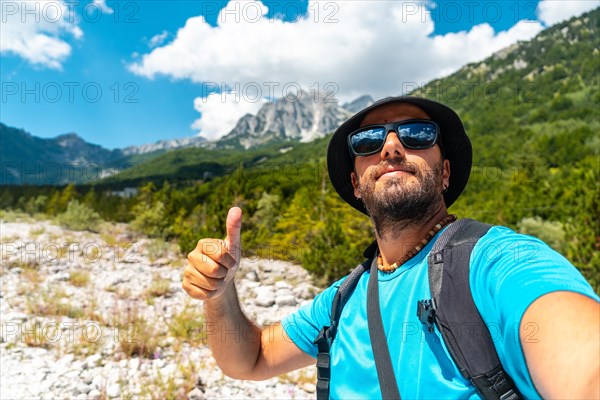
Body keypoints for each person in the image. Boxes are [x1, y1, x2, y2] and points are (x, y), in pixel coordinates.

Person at [182, 96, 599, 399]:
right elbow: (249, 359)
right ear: (355, 185)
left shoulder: (495, 261)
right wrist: (220, 295)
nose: (392, 146)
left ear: (446, 172)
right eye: (368, 141)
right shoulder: (343, 300)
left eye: (417, 135)